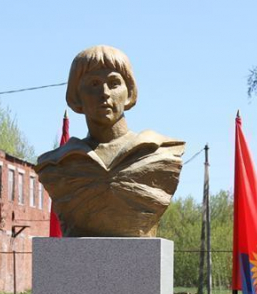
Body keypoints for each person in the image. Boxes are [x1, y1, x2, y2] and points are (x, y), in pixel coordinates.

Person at [36, 44, 185, 237]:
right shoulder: (56, 165)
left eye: (114, 83)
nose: (105, 93)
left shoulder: (160, 152)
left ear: (129, 92)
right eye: (94, 84)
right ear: (76, 96)